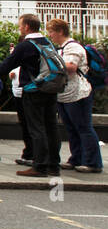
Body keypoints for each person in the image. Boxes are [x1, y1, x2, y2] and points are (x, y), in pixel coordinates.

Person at [0, 14, 60, 177]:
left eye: (20, 26)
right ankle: (53, 165)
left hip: (34, 90)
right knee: (51, 127)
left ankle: (39, 166)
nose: (19, 28)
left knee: (36, 128)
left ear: (27, 27)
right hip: (51, 88)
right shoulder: (47, 42)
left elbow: (7, 65)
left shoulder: (25, 45)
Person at [46, 18, 104, 174]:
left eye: (51, 31)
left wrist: (51, 63)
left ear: (60, 31)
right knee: (71, 128)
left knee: (83, 127)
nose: (50, 35)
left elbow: (71, 67)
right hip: (65, 94)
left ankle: (93, 163)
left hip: (78, 93)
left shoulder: (73, 47)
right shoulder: (61, 48)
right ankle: (76, 158)